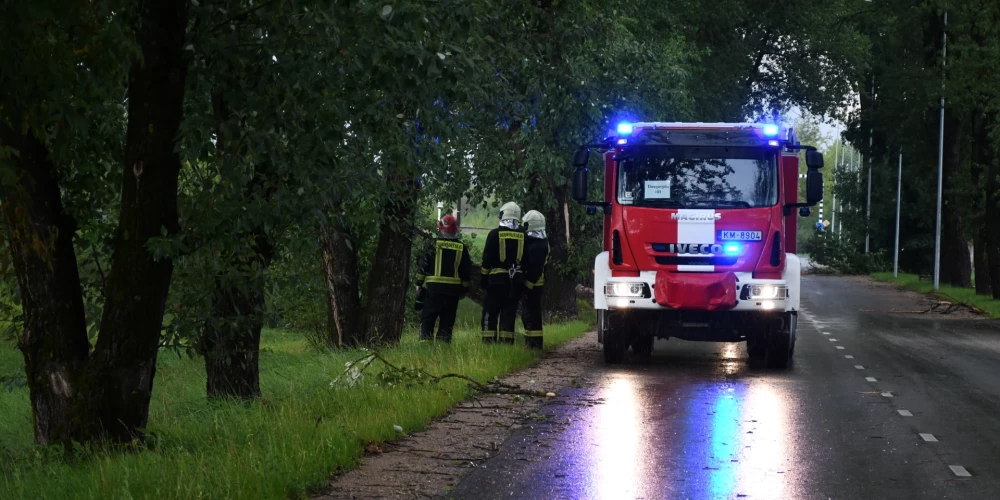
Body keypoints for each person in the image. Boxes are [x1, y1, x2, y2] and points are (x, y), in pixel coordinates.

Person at [415, 214, 471, 343]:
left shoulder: (432, 244)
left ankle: (425, 346)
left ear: (440, 227)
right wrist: (464, 289)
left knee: (428, 318)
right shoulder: (461, 247)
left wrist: (418, 283)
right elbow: (466, 272)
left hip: (434, 290)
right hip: (453, 291)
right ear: (455, 229)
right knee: (447, 320)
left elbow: (423, 266)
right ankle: (443, 347)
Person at [480, 201, 525, 344]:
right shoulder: (524, 235)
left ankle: (489, 342)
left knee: (490, 312)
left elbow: (486, 259)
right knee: (509, 313)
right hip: (516, 281)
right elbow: (527, 259)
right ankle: (506, 343)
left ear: (503, 215)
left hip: (496, 281)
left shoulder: (494, 234)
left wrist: (483, 278)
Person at [520, 210, 549, 349]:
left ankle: (534, 345)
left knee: (532, 315)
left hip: (534, 285)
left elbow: (535, 269)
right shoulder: (541, 242)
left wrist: (527, 286)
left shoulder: (538, 245)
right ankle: (531, 343)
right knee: (529, 314)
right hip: (535, 284)